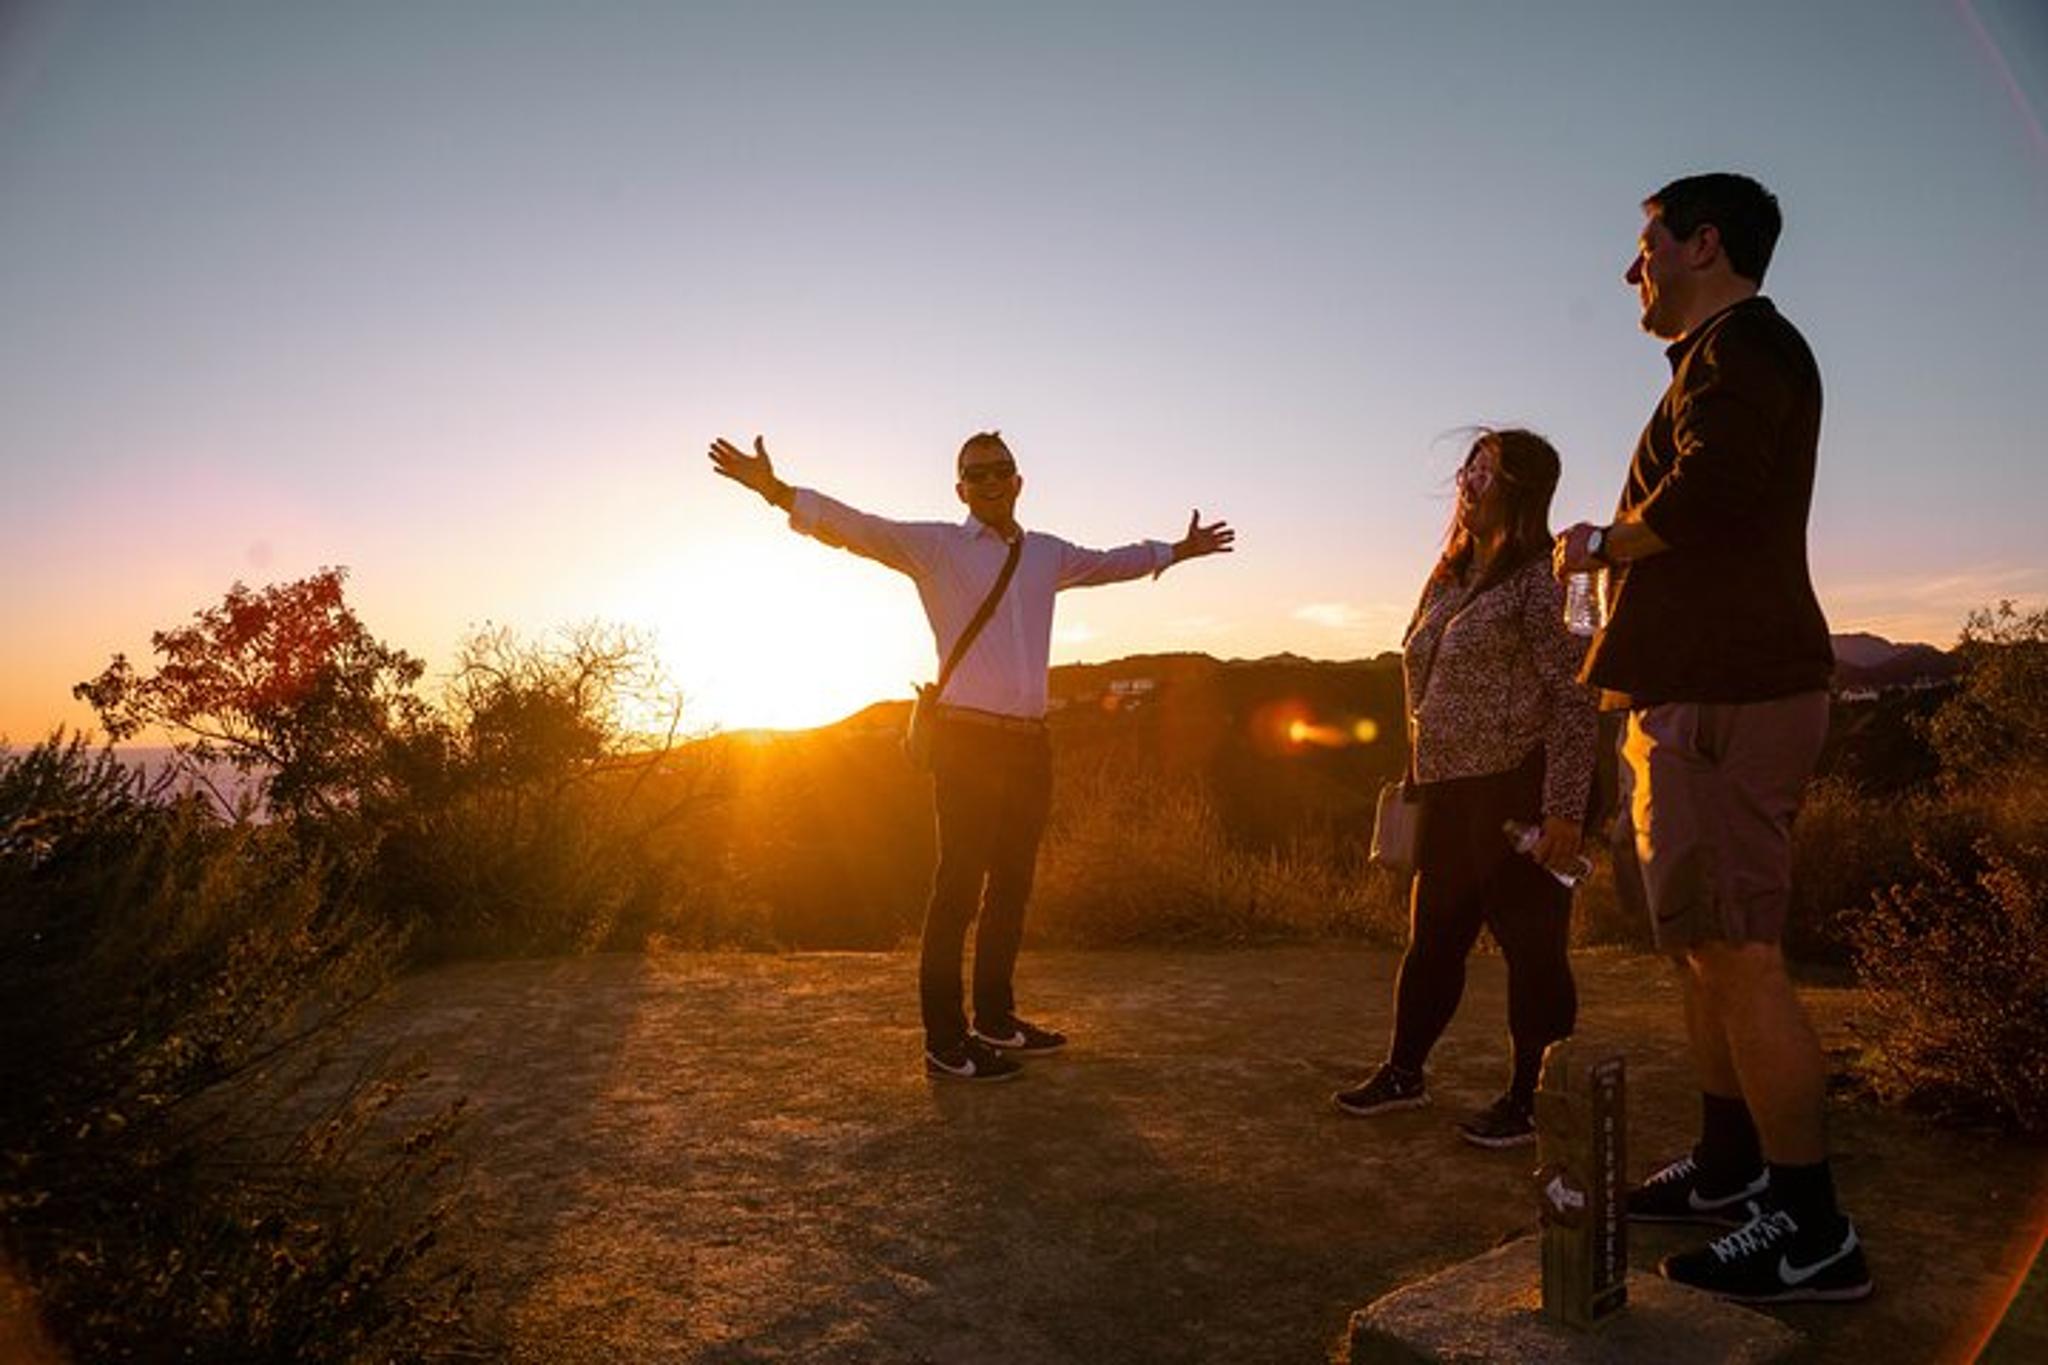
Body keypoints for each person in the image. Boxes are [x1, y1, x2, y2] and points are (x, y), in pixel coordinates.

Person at [1554, 172, 1872, 1302]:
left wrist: (1599, 539)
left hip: (1733, 692)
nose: (1629, 270)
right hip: (1692, 693)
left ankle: (1811, 1227)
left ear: (1701, 244)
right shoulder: (1716, 356)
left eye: (1644, 246)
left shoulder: (1745, 346)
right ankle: (1730, 1168)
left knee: (1737, 948)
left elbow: (1718, 488)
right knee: (1701, 946)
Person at [708, 430, 1234, 1083]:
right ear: (960, 488)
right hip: (966, 740)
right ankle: (945, 1039)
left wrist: (1176, 550)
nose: (989, 481)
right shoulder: (936, 548)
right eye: (975, 474)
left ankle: (995, 1017)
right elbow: (856, 528)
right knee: (957, 890)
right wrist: (776, 491)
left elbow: (1111, 562)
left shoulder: (1047, 554)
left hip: (1029, 742)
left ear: (1019, 481)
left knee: (1013, 886)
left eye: (1000, 471)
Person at [1334, 428, 1597, 1148]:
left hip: (1517, 790)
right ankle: (1403, 1073)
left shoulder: (1552, 577)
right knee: (1432, 941)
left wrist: (1566, 809)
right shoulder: (1450, 574)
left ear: (1522, 489)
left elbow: (1578, 696)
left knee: (1533, 950)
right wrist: (1417, 769)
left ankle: (1536, 1099)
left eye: (1485, 473)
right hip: (1447, 792)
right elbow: (1419, 672)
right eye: (1467, 469)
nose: (1467, 485)